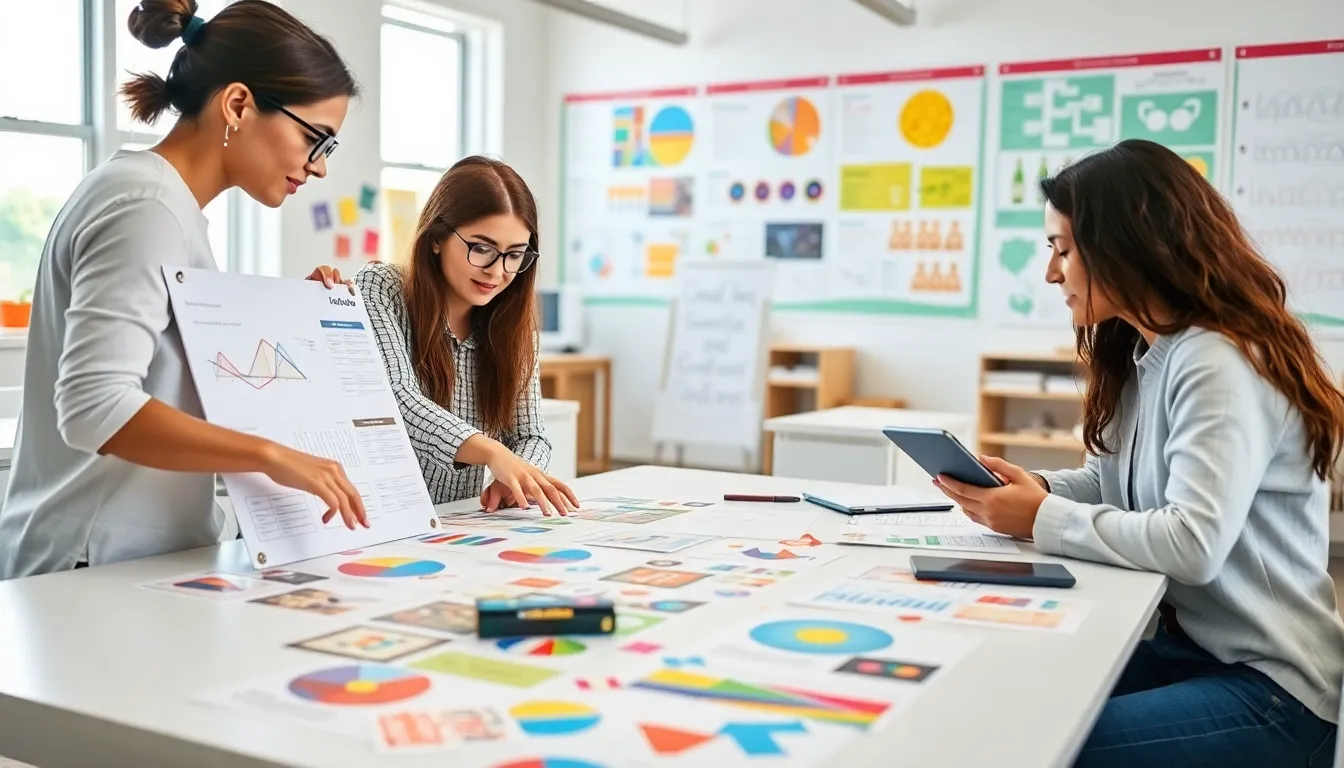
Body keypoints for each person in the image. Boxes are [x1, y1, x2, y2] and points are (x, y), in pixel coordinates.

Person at [934, 139, 1343, 766]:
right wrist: (1031, 489)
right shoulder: (1140, 350)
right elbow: (1108, 485)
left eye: (1063, 250)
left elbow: (1192, 544)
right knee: (1002, 696)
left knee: (1044, 743)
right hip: (1187, 650)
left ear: (1127, 246)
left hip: (1272, 686)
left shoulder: (1218, 359)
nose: (1051, 273)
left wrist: (1038, 518)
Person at [0, 0, 370, 581]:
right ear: (239, 104)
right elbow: (94, 409)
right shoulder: (146, 208)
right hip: (90, 560)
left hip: (125, 558)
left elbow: (168, 370)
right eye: (315, 140)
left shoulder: (164, 205)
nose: (319, 167)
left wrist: (292, 322)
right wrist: (272, 457)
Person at [352, 156, 579, 518]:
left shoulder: (516, 331)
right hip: (374, 518)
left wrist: (517, 473)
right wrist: (493, 453)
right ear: (438, 237)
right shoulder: (381, 288)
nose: (498, 271)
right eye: (482, 248)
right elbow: (398, 402)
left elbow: (531, 436)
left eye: (515, 255)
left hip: (456, 524)